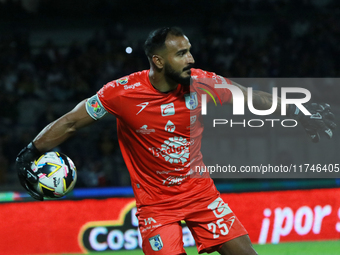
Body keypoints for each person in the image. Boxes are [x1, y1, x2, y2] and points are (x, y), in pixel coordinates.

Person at [16, 27, 336, 255]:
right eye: (181, 53)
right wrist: (32, 151)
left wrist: (299, 108)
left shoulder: (202, 84)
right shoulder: (121, 93)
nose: (191, 59)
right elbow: (72, 121)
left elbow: (252, 97)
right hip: (157, 208)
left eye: (189, 50)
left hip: (202, 197)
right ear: (157, 61)